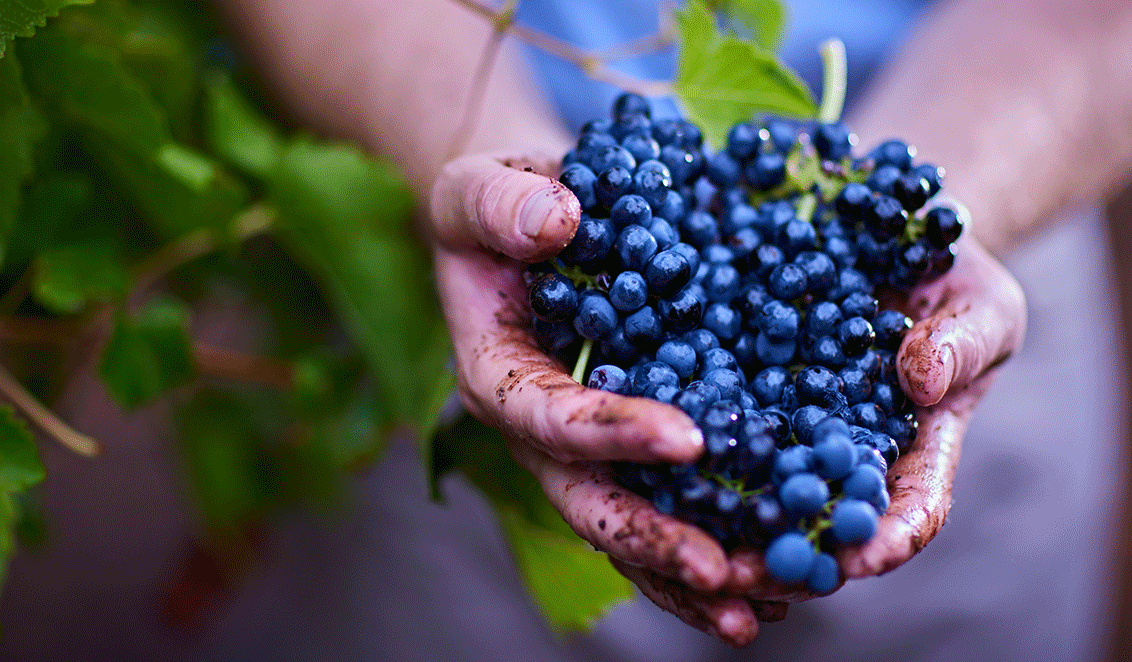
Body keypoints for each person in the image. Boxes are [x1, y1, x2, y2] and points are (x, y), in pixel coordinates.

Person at [213, 0, 1132, 649]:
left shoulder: (916, 258)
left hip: (980, 187)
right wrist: (463, 162)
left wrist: (930, 213)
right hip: (478, 202)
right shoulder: (586, 250)